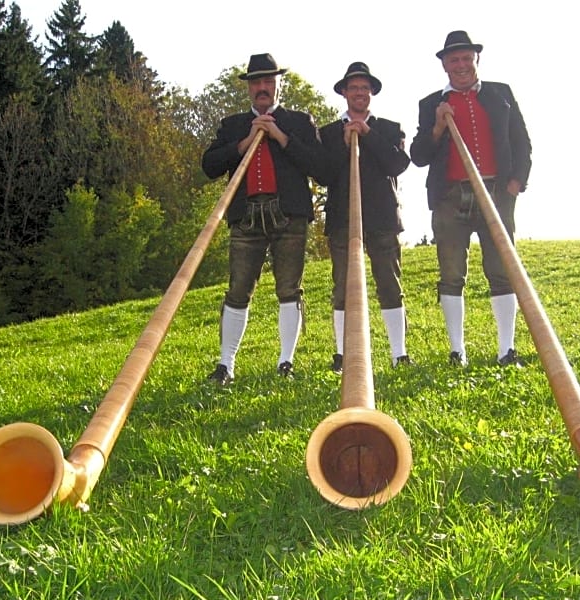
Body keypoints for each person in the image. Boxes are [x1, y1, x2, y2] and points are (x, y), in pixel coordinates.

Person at [410, 30, 532, 367]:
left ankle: (506, 349)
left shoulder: (500, 94)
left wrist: (515, 184)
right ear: (444, 66)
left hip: (497, 193)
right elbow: (418, 155)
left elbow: (521, 141)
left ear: (476, 59)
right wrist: (437, 126)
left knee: (501, 270)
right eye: (454, 60)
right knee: (451, 273)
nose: (461, 65)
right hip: (451, 197)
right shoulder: (431, 104)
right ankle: (456, 351)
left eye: (466, 58)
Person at [201, 53, 324, 385]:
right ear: (249, 88)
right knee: (237, 289)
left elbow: (320, 168)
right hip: (246, 218)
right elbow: (209, 165)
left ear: (278, 84)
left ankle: (286, 361)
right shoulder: (232, 126)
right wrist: (242, 143)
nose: (263, 88)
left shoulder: (299, 121)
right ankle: (226, 364)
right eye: (256, 82)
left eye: (269, 81)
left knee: (289, 288)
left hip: (289, 216)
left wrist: (281, 137)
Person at [316, 62, 413, 373]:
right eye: (354, 88)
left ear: (371, 92)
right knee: (343, 286)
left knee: (389, 282)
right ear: (344, 93)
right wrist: (345, 147)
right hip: (343, 221)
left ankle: (399, 353)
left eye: (365, 88)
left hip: (382, 219)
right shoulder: (329, 133)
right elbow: (322, 174)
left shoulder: (389, 128)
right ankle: (343, 355)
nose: (360, 93)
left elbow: (397, 164)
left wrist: (368, 135)